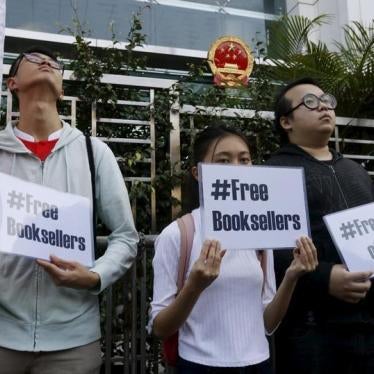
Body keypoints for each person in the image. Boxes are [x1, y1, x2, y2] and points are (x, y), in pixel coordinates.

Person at [0, 46, 138, 373]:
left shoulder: (94, 153)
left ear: (62, 90)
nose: (47, 62)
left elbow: (126, 237)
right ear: (12, 83)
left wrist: (94, 276)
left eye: (54, 63)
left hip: (75, 340)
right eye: (32, 59)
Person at [149, 125, 318, 373]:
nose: (237, 169)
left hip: (259, 364)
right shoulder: (178, 234)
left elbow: (268, 323)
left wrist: (292, 276)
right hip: (199, 365)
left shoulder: (262, 235)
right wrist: (194, 286)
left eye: (245, 160)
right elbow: (160, 327)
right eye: (223, 161)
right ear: (198, 173)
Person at [266, 77, 374, 374]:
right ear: (286, 122)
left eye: (327, 100)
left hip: (367, 324)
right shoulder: (274, 172)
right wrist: (324, 277)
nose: (324, 106)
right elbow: (269, 251)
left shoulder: (356, 171)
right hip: (310, 328)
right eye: (311, 102)